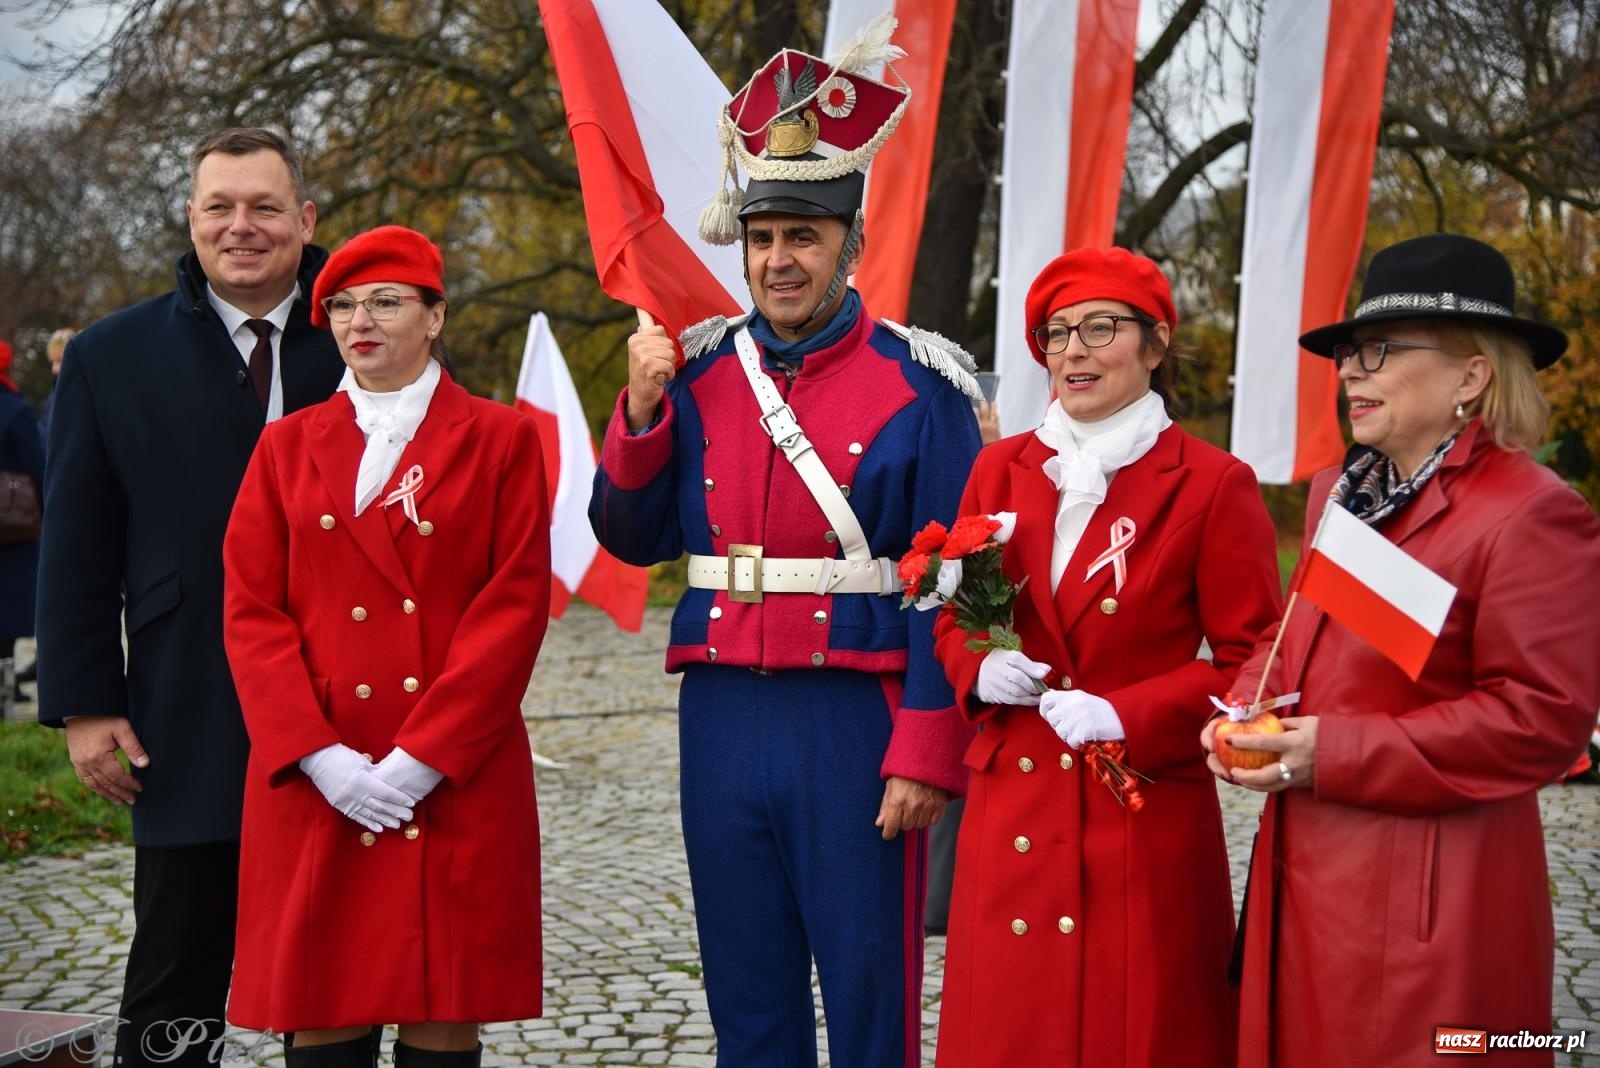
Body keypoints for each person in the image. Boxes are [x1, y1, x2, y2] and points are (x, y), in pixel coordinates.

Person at [589, 26, 983, 1068]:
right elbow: (627, 537)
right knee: (746, 992)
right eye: (762, 238)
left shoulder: (923, 385)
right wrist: (639, 415)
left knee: (868, 993)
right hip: (723, 714)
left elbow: (962, 583)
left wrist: (928, 749)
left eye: (803, 237)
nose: (778, 261)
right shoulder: (700, 373)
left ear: (850, 245)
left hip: (856, 722)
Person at [1204, 233, 1600, 1068]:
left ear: (1471, 376)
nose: (1351, 371)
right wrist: (1243, 706)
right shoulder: (1343, 492)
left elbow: (1542, 720)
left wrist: (1333, 752)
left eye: (1379, 350)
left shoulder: (1532, 513)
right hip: (1302, 877)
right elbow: (1293, 635)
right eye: (1349, 353)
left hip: (1431, 900)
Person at [34, 127, 344, 1065]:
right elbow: (77, 544)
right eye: (220, 206)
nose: (241, 226)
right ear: (192, 217)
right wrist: (87, 704)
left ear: (306, 219)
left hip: (351, 706)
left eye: (264, 206)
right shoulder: (110, 356)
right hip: (188, 702)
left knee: (337, 979)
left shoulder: (373, 332)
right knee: (176, 975)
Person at [932, 248, 1283, 1068]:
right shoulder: (998, 467)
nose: (1073, 352)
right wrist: (977, 666)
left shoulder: (1213, 483)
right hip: (1013, 810)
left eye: (1100, 328)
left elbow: (1257, 664)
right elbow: (955, 615)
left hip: (1139, 815)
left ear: (1156, 346)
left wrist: (1129, 711)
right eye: (1057, 334)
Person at [222, 225, 550, 1067]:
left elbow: (513, 608)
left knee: (444, 1008)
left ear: (435, 316)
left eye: (385, 302)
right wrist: (318, 755)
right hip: (321, 770)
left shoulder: (501, 438)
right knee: (322, 1006)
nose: (359, 321)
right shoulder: (284, 446)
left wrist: (424, 759)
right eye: (341, 306)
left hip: (454, 769)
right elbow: (252, 613)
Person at [0, 338, 45, 711]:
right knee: (11, 610)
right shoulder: (15, 410)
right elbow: (36, 465)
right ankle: (5, 688)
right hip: (12, 525)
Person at [36, 327, 75, 444]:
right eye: (53, 361)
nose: (54, 369)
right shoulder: (53, 397)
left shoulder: (82, 396)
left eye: (59, 361)